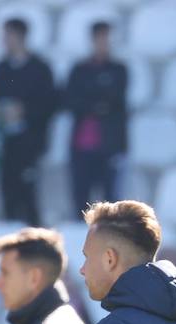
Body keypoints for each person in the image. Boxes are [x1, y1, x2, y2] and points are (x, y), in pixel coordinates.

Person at [0, 18, 57, 226]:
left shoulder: (40, 68)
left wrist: (24, 111)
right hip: (6, 143)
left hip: (31, 144)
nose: (5, 40)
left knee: (29, 196)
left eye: (9, 35)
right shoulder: (2, 68)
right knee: (7, 194)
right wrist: (1, 111)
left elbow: (51, 104)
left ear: (21, 36)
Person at [65, 21, 128, 214]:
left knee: (110, 202)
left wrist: (91, 102)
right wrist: (98, 103)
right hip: (82, 143)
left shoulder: (119, 70)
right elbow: (71, 101)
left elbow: (115, 100)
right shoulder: (80, 70)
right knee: (80, 199)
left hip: (109, 143)